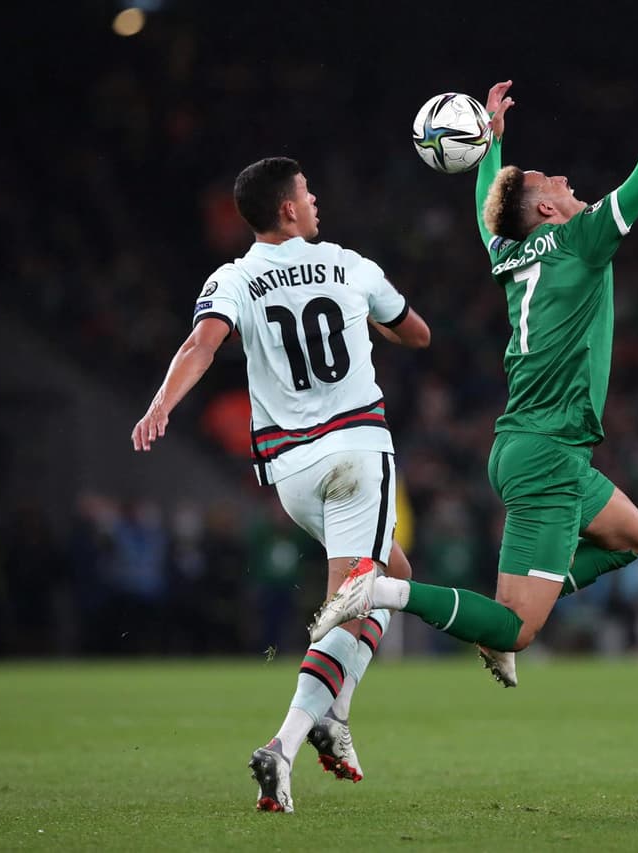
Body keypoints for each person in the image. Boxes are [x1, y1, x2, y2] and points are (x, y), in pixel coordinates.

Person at [309, 28, 638, 684]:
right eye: (554, 181)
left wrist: (492, 146)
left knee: (633, 535)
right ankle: (381, 590)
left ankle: (493, 620)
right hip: (549, 455)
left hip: (531, 445)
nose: (567, 181)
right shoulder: (582, 239)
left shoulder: (509, 254)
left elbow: (489, 214)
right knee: (518, 627)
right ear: (546, 207)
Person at [131, 156, 430, 813]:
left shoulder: (233, 277)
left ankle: (336, 714)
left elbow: (201, 346)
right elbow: (417, 333)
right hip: (355, 453)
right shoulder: (349, 265)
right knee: (353, 601)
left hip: (291, 473)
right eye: (307, 191)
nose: (316, 199)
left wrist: (160, 405)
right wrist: (368, 316)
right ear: (289, 208)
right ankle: (285, 744)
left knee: (390, 576)